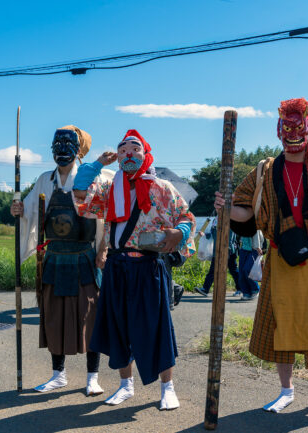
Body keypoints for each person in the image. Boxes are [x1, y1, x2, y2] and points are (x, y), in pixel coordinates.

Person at [215, 98, 308, 417]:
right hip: (280, 258)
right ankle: (286, 391)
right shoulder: (265, 170)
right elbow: (247, 211)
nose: (293, 134)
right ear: (279, 131)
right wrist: (227, 206)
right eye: (287, 127)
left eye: (300, 127)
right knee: (281, 327)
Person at [72, 129, 195, 411]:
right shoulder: (108, 188)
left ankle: (168, 388)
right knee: (118, 326)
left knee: (156, 327)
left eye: (134, 148)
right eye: (123, 149)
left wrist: (179, 232)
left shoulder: (160, 187)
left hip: (149, 266)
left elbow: (185, 215)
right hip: (117, 266)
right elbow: (80, 196)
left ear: (145, 154)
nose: (128, 153)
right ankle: (125, 385)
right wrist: (96, 165)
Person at [10, 125, 111, 397]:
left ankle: (92, 378)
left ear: (79, 150)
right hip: (54, 258)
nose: (62, 150)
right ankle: (58, 375)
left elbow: (106, 217)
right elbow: (31, 211)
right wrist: (18, 210)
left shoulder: (93, 177)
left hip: (84, 258)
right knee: (53, 317)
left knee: (90, 318)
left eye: (68, 144)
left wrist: (104, 248)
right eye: (57, 145)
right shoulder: (45, 180)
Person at [195, 217, 243, 297]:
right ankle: (205, 289)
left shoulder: (230, 219)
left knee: (233, 270)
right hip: (217, 250)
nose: (217, 208)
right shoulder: (215, 220)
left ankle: (240, 289)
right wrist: (205, 235)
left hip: (228, 250)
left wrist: (228, 249)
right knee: (214, 270)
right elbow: (213, 234)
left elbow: (230, 236)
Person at [237, 230, 264, 301]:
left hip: (254, 249)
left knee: (247, 269)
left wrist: (258, 247)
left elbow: (257, 232)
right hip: (244, 248)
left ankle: (255, 289)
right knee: (241, 273)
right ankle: (246, 292)